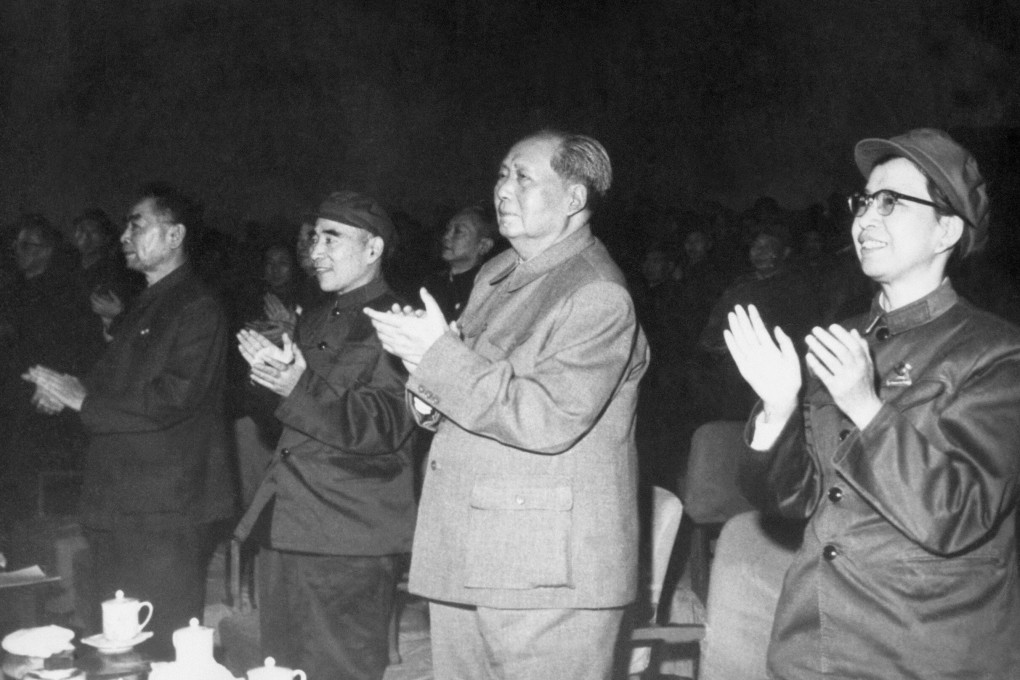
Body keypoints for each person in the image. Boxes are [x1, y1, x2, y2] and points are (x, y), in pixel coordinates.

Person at [724, 128, 1020, 678]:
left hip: (922, 652)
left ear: (947, 229)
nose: (863, 220)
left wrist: (866, 406)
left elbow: (958, 514)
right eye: (862, 202)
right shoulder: (844, 338)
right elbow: (790, 500)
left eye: (891, 203)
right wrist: (778, 411)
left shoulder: (997, 355)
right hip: (810, 646)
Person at [366, 130, 648, 680]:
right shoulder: (498, 274)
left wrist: (437, 356)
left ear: (573, 199)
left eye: (523, 177)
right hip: (471, 548)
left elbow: (546, 418)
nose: (503, 189)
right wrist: (422, 373)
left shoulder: (596, 293)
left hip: (544, 571)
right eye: (501, 174)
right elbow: (460, 380)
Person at [23, 183, 237, 659]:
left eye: (136, 224)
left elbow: (174, 397)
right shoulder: (147, 301)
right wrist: (66, 390)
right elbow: (119, 385)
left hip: (163, 510)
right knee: (120, 645)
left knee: (160, 642)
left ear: (174, 234)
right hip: (124, 503)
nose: (123, 235)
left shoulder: (197, 306)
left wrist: (84, 401)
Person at [233, 190, 417, 680]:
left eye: (332, 238)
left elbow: (387, 424)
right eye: (314, 237)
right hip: (286, 525)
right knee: (279, 669)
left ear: (373, 249)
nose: (315, 251)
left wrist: (296, 386)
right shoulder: (314, 317)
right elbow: (285, 429)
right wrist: (267, 382)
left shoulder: (401, 323)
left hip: (346, 538)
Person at [420, 205, 497, 320]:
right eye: (448, 229)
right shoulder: (432, 283)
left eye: (458, 231)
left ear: (483, 245)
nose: (446, 236)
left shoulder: (486, 291)